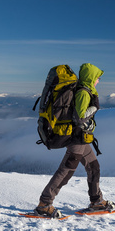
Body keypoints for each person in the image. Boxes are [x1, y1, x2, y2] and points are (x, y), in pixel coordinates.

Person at [35, 63, 110, 218]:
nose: (99, 81)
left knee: (94, 167)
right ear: (91, 77)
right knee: (66, 171)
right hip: (77, 138)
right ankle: (44, 203)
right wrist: (95, 108)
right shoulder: (83, 93)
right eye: (98, 77)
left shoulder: (87, 91)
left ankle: (96, 201)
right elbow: (79, 117)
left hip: (82, 139)